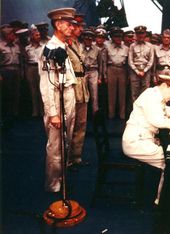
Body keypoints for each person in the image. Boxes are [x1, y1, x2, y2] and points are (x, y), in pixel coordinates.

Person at [122, 74, 170, 205]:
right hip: (136, 142)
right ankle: (161, 201)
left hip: (142, 138)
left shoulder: (154, 94)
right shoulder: (152, 97)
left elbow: (162, 110)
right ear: (165, 85)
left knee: (168, 156)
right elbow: (157, 121)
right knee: (169, 160)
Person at [38, 7, 77, 192]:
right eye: (69, 24)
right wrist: (53, 114)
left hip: (68, 97)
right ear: (59, 25)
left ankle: (62, 178)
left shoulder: (63, 46)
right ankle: (53, 185)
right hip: (57, 101)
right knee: (55, 147)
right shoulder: (49, 49)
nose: (72, 28)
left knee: (65, 143)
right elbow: (46, 86)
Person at [66, 13, 90, 169]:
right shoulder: (65, 46)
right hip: (72, 87)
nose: (81, 29)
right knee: (70, 124)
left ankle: (76, 157)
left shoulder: (78, 44)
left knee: (81, 124)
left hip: (82, 86)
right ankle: (66, 159)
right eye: (78, 26)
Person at [106, 27, 129, 119]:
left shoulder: (126, 48)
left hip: (122, 70)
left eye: (120, 36)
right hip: (111, 69)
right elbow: (104, 61)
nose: (118, 38)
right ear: (112, 37)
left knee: (122, 94)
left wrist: (128, 76)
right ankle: (111, 114)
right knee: (111, 94)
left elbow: (128, 63)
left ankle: (122, 115)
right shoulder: (107, 47)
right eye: (116, 36)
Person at [128, 25, 154, 103]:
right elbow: (130, 60)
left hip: (146, 71)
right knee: (134, 93)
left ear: (145, 34)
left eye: (142, 33)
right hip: (135, 71)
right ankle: (135, 112)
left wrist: (144, 71)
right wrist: (137, 71)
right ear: (136, 34)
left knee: (145, 93)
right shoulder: (132, 46)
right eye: (138, 34)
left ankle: (144, 112)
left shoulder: (150, 46)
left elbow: (151, 60)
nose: (140, 36)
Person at [25, 27, 44, 117]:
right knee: (33, 91)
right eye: (36, 35)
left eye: (39, 35)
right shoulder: (27, 48)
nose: (38, 36)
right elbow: (25, 60)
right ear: (31, 36)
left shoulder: (43, 46)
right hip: (31, 68)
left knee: (41, 90)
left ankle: (42, 111)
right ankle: (35, 111)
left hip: (40, 68)